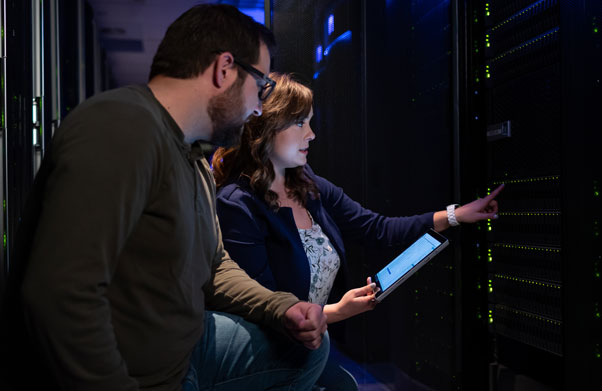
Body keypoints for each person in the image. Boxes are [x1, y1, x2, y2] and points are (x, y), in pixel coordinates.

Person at [0, 6, 329, 391]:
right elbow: (60, 295)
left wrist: (282, 307)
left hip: (185, 349)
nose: (259, 106)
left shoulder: (192, 158)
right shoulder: (121, 128)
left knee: (312, 352)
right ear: (224, 69)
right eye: (261, 86)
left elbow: (215, 266)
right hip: (146, 377)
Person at [212, 73, 504, 390]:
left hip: (309, 347)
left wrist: (456, 215)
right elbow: (262, 310)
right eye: (299, 123)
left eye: (310, 122)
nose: (311, 134)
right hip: (268, 355)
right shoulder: (237, 206)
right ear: (264, 128)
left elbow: (374, 228)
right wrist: (338, 311)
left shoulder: (307, 183)